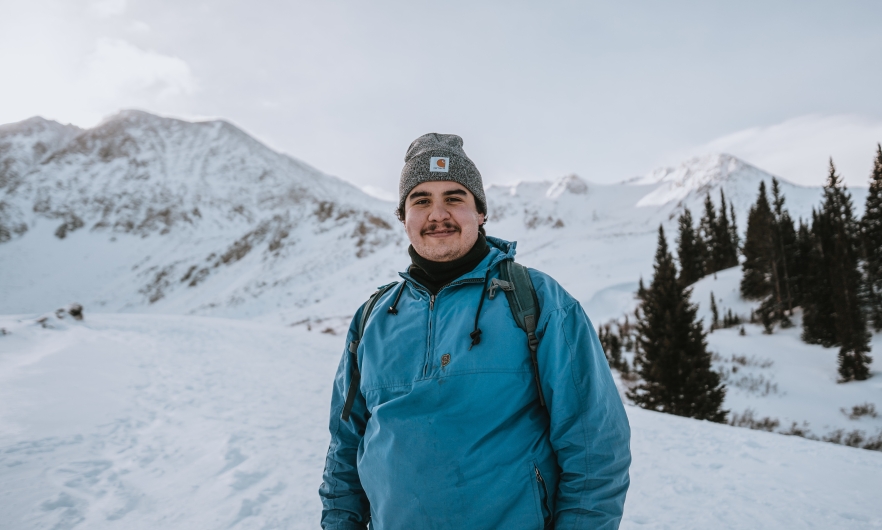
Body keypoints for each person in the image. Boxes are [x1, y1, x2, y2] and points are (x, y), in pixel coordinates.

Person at [319, 133, 631, 529]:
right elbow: (344, 451)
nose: (438, 214)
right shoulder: (373, 319)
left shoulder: (538, 300)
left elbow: (595, 447)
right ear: (403, 217)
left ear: (480, 212)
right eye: (421, 200)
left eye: (454, 198)